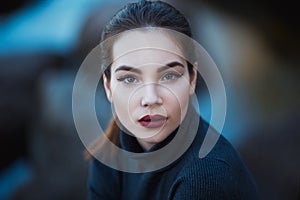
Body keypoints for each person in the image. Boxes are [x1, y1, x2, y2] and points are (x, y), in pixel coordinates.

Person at [86, 0, 258, 199]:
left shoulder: (203, 177)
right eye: (129, 78)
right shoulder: (110, 152)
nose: (150, 98)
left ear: (192, 79)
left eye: (168, 76)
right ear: (108, 87)